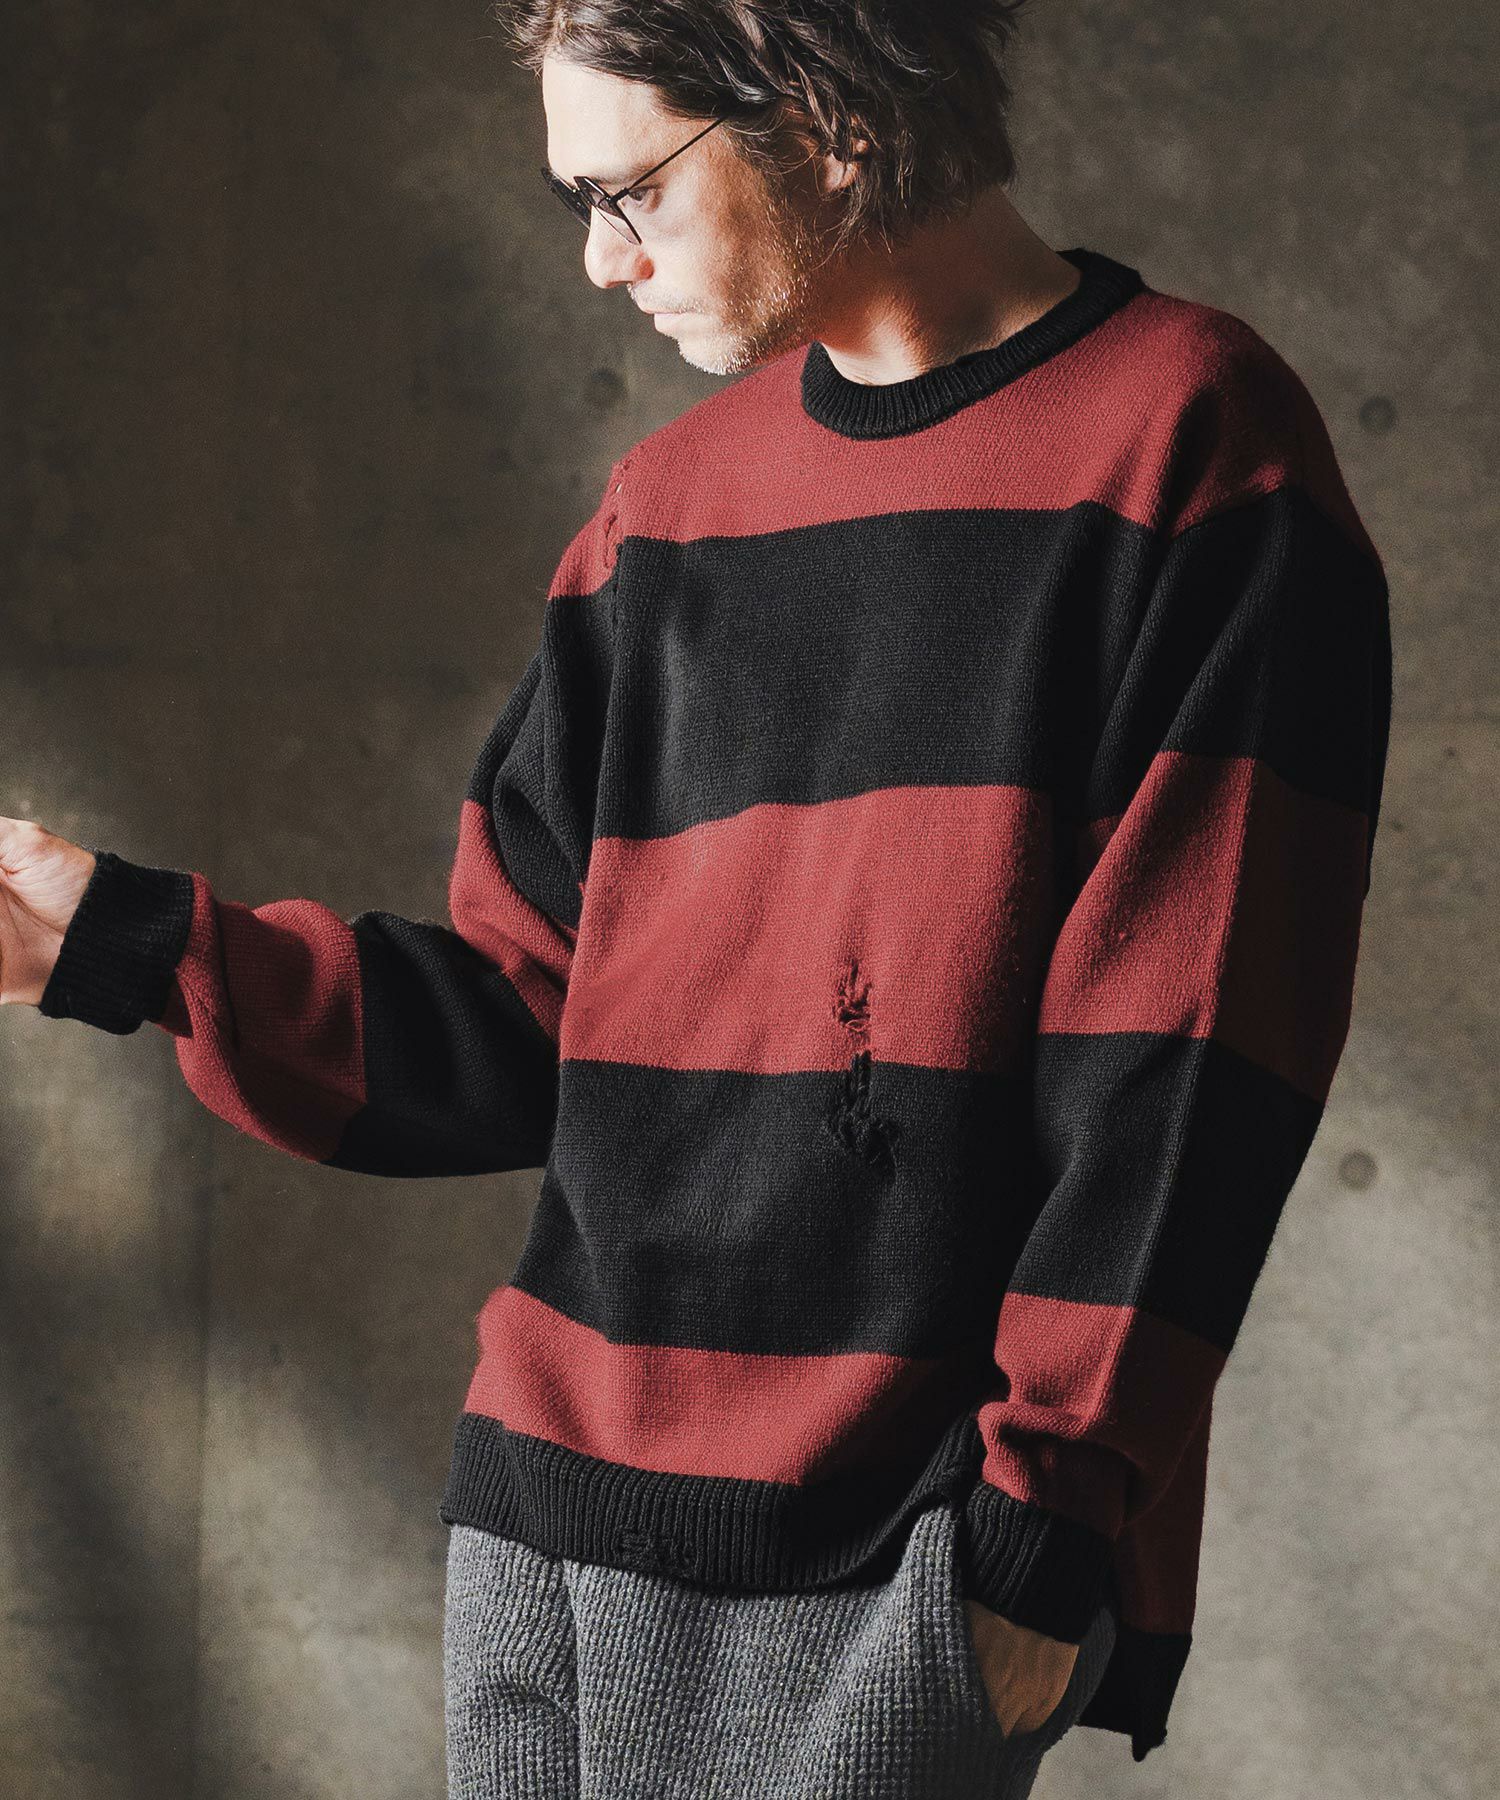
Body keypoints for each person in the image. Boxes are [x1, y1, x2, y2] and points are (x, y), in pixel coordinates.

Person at [0, 3, 1393, 1795]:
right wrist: (115, 941)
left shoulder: (1193, 446)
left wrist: (1044, 1530)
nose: (601, 261)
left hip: (889, 1549)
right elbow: (524, 1020)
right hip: (547, 1510)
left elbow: (1193, 1060)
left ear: (826, 111)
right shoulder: (666, 509)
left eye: (630, 191)